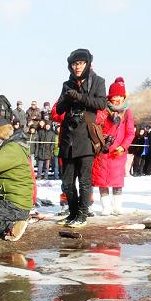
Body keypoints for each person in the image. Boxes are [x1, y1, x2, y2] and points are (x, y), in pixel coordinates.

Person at [55, 48, 107, 227]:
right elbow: (59, 109)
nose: (76, 67)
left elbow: (101, 103)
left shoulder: (98, 81)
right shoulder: (67, 84)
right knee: (67, 182)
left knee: (85, 181)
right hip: (68, 137)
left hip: (86, 137)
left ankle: (82, 214)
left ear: (87, 64)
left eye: (80, 63)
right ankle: (73, 213)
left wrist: (80, 97)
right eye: (73, 64)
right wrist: (67, 98)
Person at [90, 77, 135, 216]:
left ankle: (117, 206)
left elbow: (130, 132)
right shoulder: (102, 109)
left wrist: (123, 147)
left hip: (118, 152)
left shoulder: (127, 112)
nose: (116, 99)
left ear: (123, 97)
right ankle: (106, 207)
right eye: (114, 97)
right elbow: (96, 125)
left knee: (117, 180)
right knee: (102, 180)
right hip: (103, 151)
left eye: (119, 96)